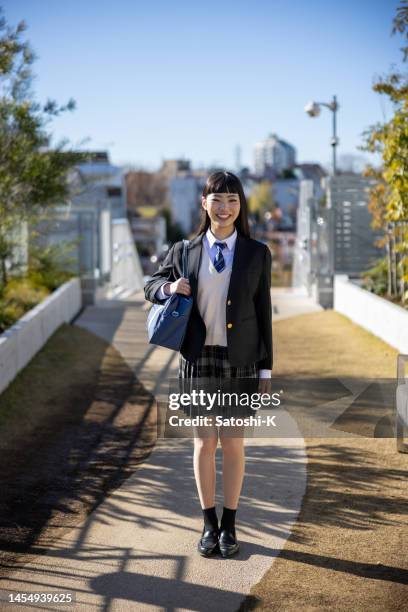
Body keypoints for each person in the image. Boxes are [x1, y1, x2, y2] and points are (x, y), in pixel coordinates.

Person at [144, 170, 273, 558]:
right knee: (204, 443)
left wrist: (266, 369)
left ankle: (230, 525)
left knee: (233, 445)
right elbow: (151, 285)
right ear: (204, 204)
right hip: (198, 358)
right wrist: (171, 287)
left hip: (241, 361)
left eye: (233, 200)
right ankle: (208, 525)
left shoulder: (256, 252)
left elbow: (263, 313)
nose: (225, 207)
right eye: (217, 199)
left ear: (240, 207)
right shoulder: (184, 251)